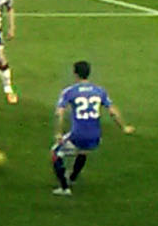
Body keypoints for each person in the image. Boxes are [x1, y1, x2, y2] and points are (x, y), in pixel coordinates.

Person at [52, 61, 134, 196]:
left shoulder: (69, 91)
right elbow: (113, 111)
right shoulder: (99, 91)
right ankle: (72, 178)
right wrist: (124, 127)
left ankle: (64, 188)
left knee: (55, 154)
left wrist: (59, 133)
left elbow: (59, 113)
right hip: (95, 137)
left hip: (77, 135)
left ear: (75, 73)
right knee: (83, 151)